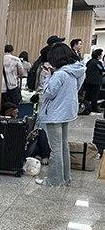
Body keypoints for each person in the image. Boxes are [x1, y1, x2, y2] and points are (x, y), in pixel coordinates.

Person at [38, 43, 85, 187]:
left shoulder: (59, 74)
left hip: (55, 115)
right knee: (64, 146)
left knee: (55, 149)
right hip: (67, 112)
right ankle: (65, 178)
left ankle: (54, 181)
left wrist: (48, 77)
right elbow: (76, 88)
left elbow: (49, 93)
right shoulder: (75, 71)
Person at [83, 49, 104, 114]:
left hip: (88, 81)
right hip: (95, 82)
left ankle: (86, 108)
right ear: (98, 56)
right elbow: (101, 69)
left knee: (87, 96)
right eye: (101, 54)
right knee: (95, 96)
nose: (101, 56)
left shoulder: (89, 61)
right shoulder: (97, 62)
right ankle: (94, 108)